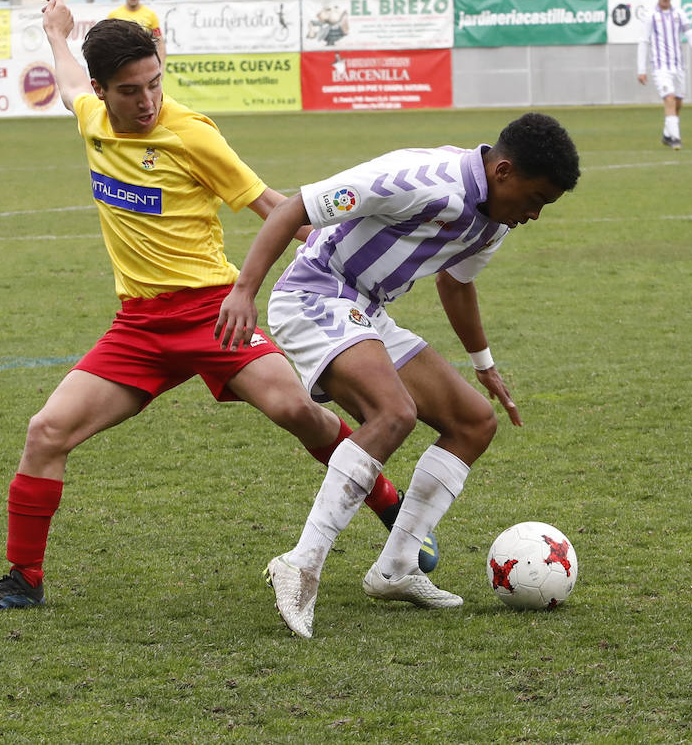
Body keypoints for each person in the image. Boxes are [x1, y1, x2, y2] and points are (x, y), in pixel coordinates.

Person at [0, 0, 433, 613]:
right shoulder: (91, 117)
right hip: (138, 327)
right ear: (102, 91)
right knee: (45, 432)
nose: (148, 100)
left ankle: (389, 504)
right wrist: (56, 33)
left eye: (155, 83)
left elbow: (275, 207)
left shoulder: (191, 133)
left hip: (214, 313)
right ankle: (24, 580)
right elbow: (69, 80)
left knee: (296, 409)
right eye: (130, 91)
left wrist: (348, 261)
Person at [215, 113, 581, 638]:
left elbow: (456, 284)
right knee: (393, 414)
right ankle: (301, 564)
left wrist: (484, 365)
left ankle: (396, 567)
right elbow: (297, 206)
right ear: (503, 172)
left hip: (366, 311)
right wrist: (243, 290)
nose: (535, 214)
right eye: (536, 198)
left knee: (474, 422)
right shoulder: (418, 179)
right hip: (313, 294)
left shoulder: (496, 221)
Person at [637, 0, 692, 150]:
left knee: (678, 103)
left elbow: (690, 34)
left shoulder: (679, 14)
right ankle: (676, 138)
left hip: (678, 66)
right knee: (669, 98)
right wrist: (641, 69)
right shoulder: (651, 16)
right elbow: (644, 41)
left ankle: (667, 135)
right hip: (660, 67)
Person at [108, 0, 166, 66]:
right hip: (122, 64)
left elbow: (159, 41)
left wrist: (160, 65)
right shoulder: (113, 16)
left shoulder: (150, 15)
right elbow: (108, 42)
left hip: (145, 63)